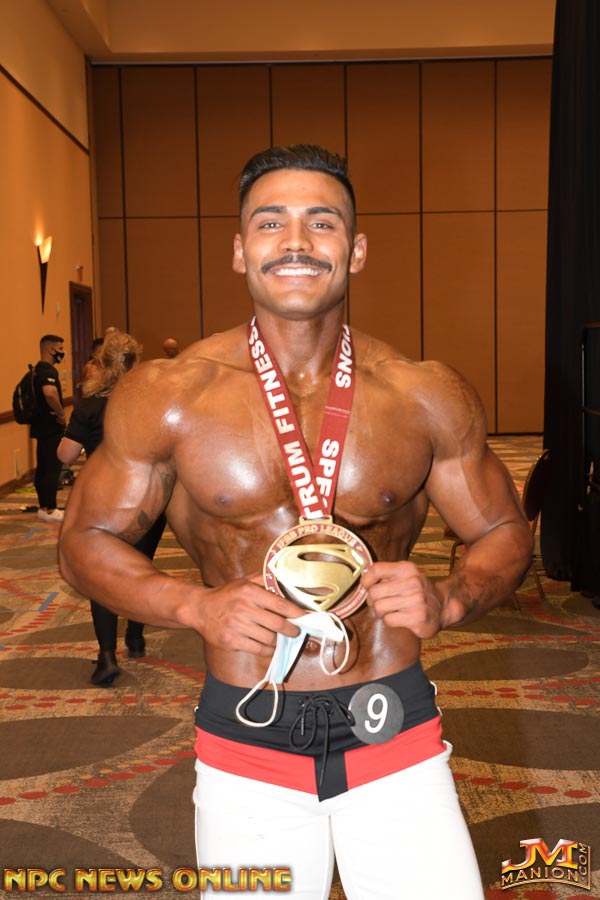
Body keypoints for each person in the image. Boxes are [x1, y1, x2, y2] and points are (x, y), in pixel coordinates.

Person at [59, 145, 533, 898]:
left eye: (322, 221)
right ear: (240, 250)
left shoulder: (424, 393)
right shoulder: (169, 395)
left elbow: (504, 531)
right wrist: (192, 605)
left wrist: (451, 597)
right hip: (248, 729)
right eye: (271, 222)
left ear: (357, 248)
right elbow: (83, 542)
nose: (297, 241)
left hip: (391, 720)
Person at [58, 328, 166, 685]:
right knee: (140, 568)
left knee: (102, 573)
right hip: (148, 499)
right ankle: (135, 637)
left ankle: (106, 656)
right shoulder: (150, 404)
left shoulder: (89, 406)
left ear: (100, 364)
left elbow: (65, 455)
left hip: (103, 502)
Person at [31, 334, 67, 523]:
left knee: (43, 467)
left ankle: (43, 507)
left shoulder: (36, 370)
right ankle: (51, 509)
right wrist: (61, 414)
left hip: (39, 425)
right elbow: (50, 393)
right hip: (50, 426)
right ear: (50, 349)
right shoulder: (48, 371)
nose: (62, 353)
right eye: (60, 349)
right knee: (52, 467)